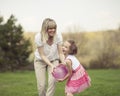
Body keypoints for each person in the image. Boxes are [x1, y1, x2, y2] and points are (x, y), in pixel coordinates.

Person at [34, 18, 65, 96]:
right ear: (45, 29)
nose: (53, 30)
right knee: (42, 85)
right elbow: (42, 55)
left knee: (52, 82)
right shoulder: (39, 37)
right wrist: (51, 66)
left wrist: (64, 63)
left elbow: (60, 53)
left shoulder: (58, 36)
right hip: (40, 61)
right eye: (50, 28)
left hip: (54, 60)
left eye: (54, 28)